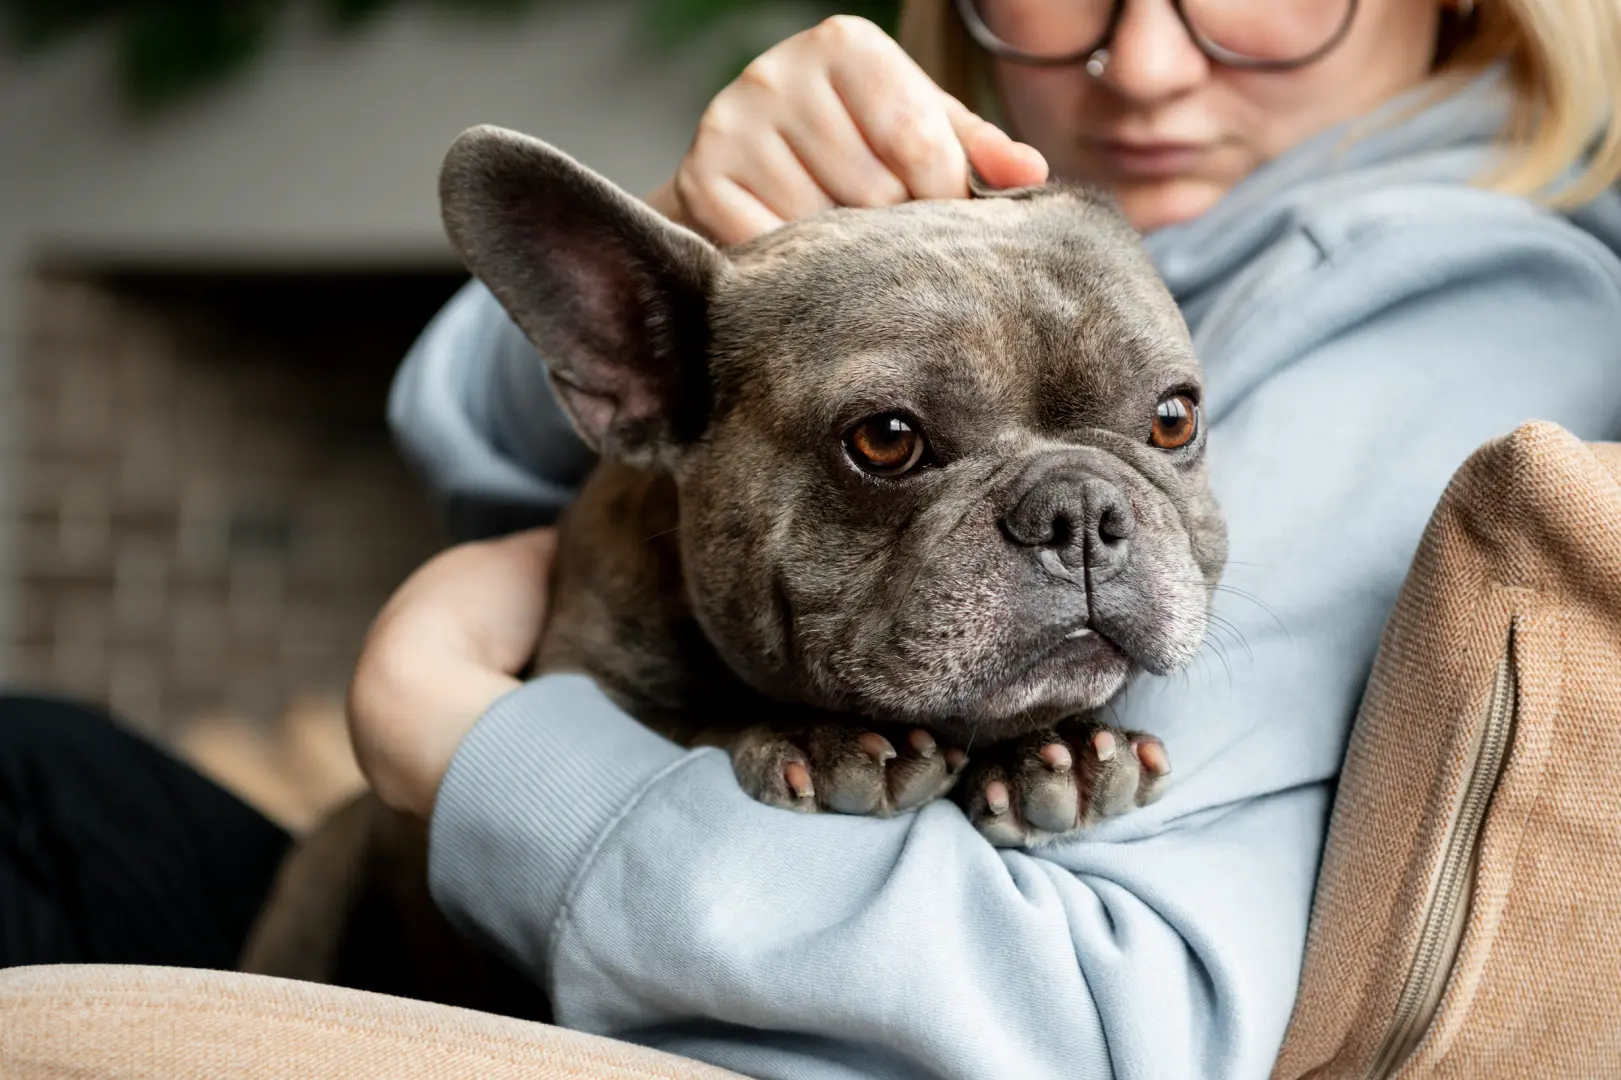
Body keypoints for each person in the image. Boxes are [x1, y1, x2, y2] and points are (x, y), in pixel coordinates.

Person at [1, 1, 1618, 1078]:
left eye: (1166, 429)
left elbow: (1105, 1019)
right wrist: (697, 254)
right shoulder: (1053, 231)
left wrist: (462, 745)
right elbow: (500, 455)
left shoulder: (1434, 297)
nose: (1144, 62)